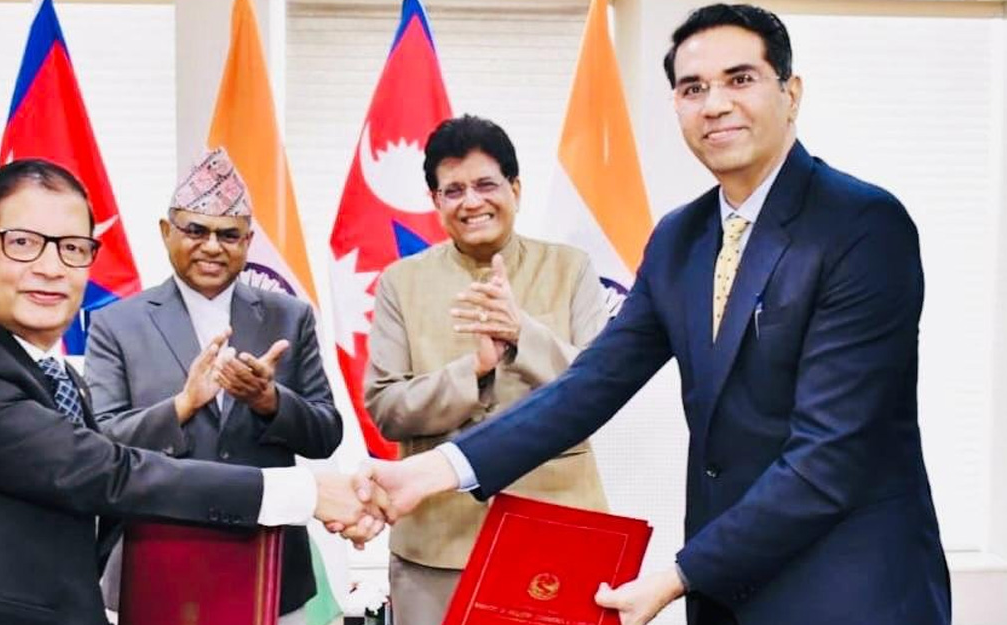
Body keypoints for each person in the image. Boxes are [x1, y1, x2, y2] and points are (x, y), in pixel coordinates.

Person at [362, 5, 950, 625]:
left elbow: (831, 452)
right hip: (728, 592)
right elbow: (589, 386)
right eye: (693, 88)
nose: (714, 105)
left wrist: (677, 577)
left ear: (791, 92)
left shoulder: (860, 225)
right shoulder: (679, 239)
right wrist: (434, 471)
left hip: (847, 585)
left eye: (740, 79)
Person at [0, 159, 380, 625]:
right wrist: (305, 492)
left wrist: (270, 406)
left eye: (71, 248)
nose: (50, 267)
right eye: (22, 242)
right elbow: (103, 470)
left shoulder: (50, 370)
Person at [364, 114, 611, 625]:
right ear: (435, 202)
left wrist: (523, 333)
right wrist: (472, 372)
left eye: (485, 185)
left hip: (556, 529)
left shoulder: (570, 268)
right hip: (436, 541)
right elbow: (386, 408)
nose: (471, 202)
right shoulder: (400, 283)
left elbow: (603, 385)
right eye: (453, 191)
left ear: (515, 188)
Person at [85, 148, 343, 623]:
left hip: (270, 563)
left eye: (228, 235)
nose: (211, 246)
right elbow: (99, 446)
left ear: (248, 241)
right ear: (166, 232)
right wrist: (182, 406)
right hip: (158, 559)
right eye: (195, 231)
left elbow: (326, 434)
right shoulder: (116, 324)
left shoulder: (289, 316)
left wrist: (269, 401)